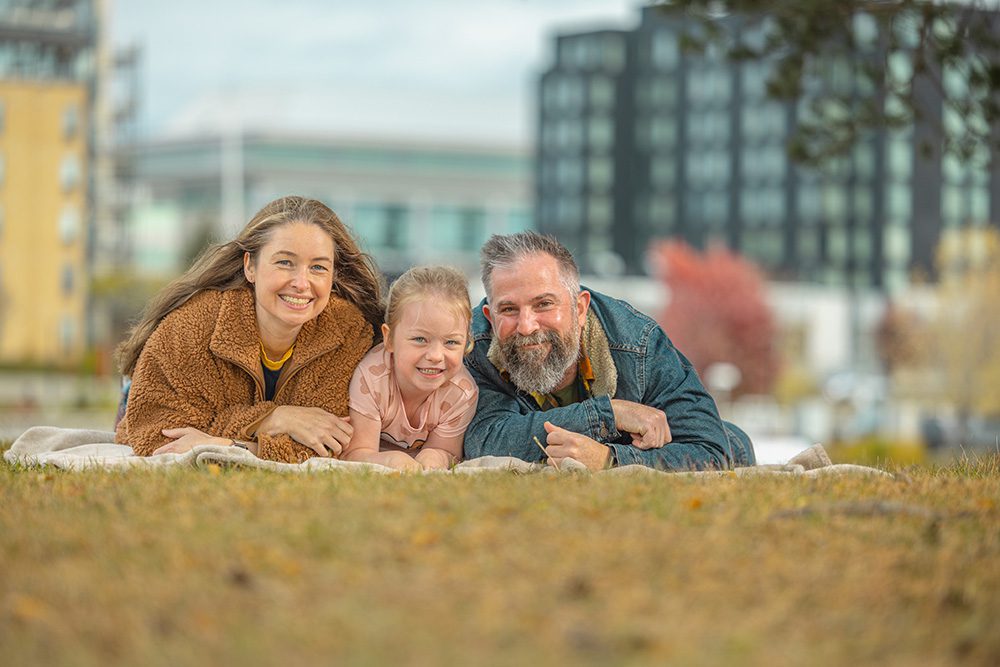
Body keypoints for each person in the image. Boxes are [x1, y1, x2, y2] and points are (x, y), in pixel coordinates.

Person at [115, 195, 384, 463]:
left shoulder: (348, 332)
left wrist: (223, 444)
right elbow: (159, 437)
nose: (302, 283)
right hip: (147, 390)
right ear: (250, 267)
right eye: (285, 262)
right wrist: (273, 419)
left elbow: (328, 445)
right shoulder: (190, 327)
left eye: (318, 267)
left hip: (213, 415)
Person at [464, 231, 756, 472]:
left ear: (579, 307)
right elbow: (482, 441)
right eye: (509, 309)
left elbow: (712, 451)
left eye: (544, 304)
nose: (526, 326)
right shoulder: (471, 345)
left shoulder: (639, 343)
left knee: (734, 440)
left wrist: (609, 459)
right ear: (490, 316)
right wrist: (608, 414)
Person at [341, 266, 478, 471]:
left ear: (466, 341)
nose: (435, 356)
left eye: (451, 342)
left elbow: (448, 453)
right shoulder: (371, 378)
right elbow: (355, 453)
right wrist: (389, 460)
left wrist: (435, 458)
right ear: (389, 339)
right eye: (420, 339)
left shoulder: (462, 393)